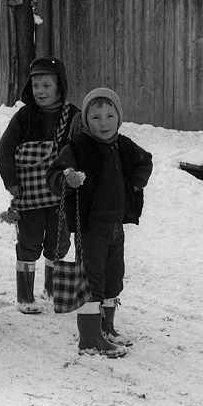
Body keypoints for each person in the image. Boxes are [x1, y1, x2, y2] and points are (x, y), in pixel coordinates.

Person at [48, 88, 153, 358]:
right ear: (85, 120)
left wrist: (136, 184)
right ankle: (89, 338)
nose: (103, 123)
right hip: (90, 227)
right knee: (91, 280)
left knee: (113, 278)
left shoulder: (124, 145)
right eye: (95, 117)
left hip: (116, 225)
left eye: (109, 115)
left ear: (119, 118)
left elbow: (145, 162)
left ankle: (107, 327)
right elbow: (55, 175)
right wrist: (67, 180)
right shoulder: (78, 148)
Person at [0, 57, 81, 314]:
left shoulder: (74, 116)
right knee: (29, 241)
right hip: (29, 195)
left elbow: (81, 150)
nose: (40, 91)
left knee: (58, 241)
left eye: (46, 85)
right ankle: (25, 296)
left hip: (61, 195)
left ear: (60, 87)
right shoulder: (24, 116)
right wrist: (11, 182)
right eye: (35, 86)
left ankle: (52, 288)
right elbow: (5, 148)